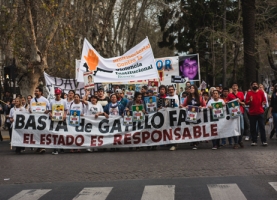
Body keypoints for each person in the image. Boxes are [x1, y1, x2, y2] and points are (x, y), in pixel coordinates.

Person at [181, 85, 206, 150]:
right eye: (190, 88)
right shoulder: (187, 98)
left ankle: (196, 142)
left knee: (197, 128)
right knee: (191, 128)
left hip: (198, 115)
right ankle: (193, 141)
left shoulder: (200, 98)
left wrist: (201, 107)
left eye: (192, 88)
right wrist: (184, 107)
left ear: (195, 89)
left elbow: (204, 106)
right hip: (190, 115)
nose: (191, 89)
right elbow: (183, 105)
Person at [245, 81, 267, 146]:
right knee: (253, 128)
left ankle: (264, 140)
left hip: (260, 112)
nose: (254, 85)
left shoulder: (261, 92)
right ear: (251, 86)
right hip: (252, 113)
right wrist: (250, 101)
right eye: (253, 84)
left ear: (257, 85)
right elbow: (246, 102)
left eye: (256, 84)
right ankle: (254, 141)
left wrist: (264, 102)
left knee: (262, 127)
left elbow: (264, 100)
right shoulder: (249, 93)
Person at [29, 87, 50, 154]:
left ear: (40, 92)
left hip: (42, 120)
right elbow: (30, 108)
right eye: (35, 91)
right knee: (36, 133)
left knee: (42, 133)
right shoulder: (32, 100)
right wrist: (30, 110)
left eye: (37, 91)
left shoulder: (45, 100)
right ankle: (39, 146)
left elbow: (49, 108)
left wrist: (47, 111)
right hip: (35, 119)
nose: (35, 92)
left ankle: (42, 147)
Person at [49, 88, 67, 155]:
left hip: (61, 120)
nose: (57, 95)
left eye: (58, 94)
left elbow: (66, 110)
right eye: (56, 94)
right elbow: (50, 110)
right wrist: (50, 114)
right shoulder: (52, 101)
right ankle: (55, 149)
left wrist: (64, 115)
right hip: (54, 120)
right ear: (55, 94)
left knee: (61, 134)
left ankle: (61, 147)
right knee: (55, 134)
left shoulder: (64, 101)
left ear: (60, 94)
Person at [227, 83, 245, 149]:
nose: (234, 87)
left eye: (236, 86)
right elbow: (227, 103)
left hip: (240, 112)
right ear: (232, 87)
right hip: (233, 113)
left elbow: (243, 103)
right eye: (233, 86)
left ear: (237, 87)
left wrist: (239, 102)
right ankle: (236, 142)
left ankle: (240, 140)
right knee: (235, 128)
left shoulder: (241, 94)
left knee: (242, 128)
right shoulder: (229, 95)